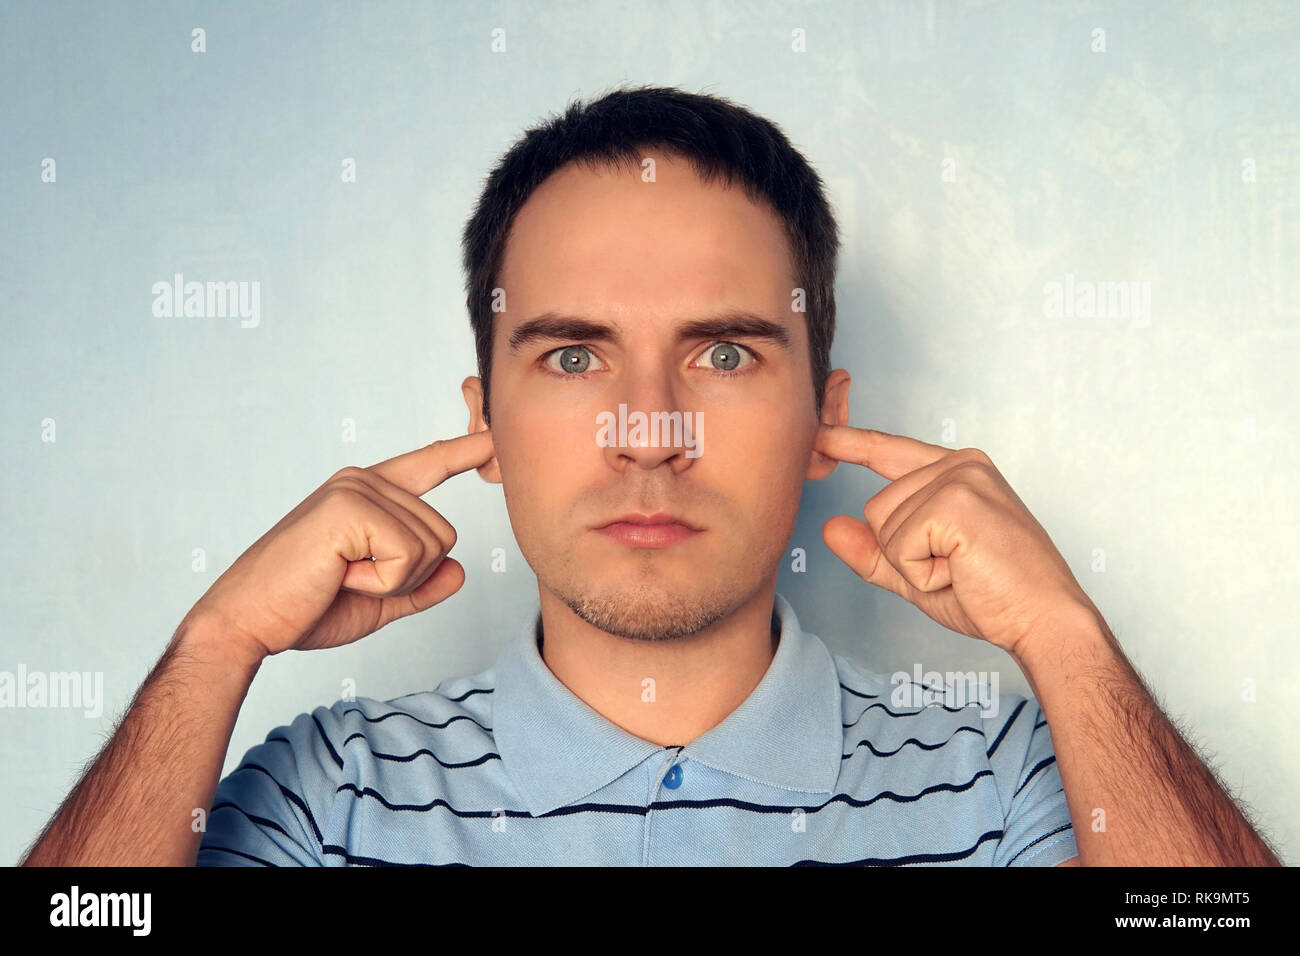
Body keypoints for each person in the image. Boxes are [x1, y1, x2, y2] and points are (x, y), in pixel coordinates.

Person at [20, 85, 1281, 867]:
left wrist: (1066, 637)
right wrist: (214, 642)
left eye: (724, 351)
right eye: (573, 354)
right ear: (487, 424)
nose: (647, 430)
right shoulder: (327, 794)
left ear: (821, 417)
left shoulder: (1007, 784)